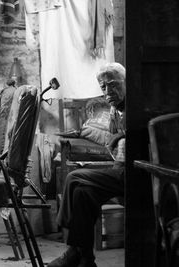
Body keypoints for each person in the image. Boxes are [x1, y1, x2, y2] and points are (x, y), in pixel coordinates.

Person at [48, 62, 126, 267]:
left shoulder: (135, 104)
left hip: (134, 173)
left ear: (126, 82)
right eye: (104, 87)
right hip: (118, 170)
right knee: (83, 193)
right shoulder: (114, 109)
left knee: (74, 176)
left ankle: (69, 241)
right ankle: (84, 258)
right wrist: (114, 136)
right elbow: (109, 136)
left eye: (114, 85)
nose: (109, 91)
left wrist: (119, 135)